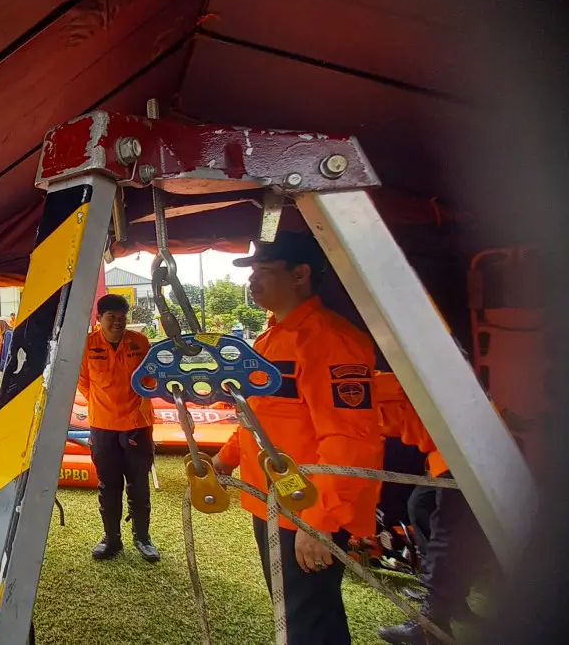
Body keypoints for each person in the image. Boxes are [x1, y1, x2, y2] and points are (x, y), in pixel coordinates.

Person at [211, 232, 382, 645]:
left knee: (306, 622)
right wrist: (224, 460)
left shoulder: (331, 341)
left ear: (300, 274)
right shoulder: (271, 338)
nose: (252, 283)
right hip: (271, 503)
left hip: (306, 509)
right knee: (299, 615)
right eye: (252, 273)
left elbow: (351, 439)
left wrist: (318, 522)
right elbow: (258, 418)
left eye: (264, 272)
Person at [376, 372, 493, 644]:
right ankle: (445, 595)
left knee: (448, 528)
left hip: (467, 449)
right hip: (448, 450)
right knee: (421, 505)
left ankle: (432, 620)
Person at [76, 294, 160, 562]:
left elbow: (150, 378)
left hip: (138, 425)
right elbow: (84, 383)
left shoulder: (140, 343)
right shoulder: (86, 346)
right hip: (102, 427)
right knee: (108, 485)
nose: (117, 322)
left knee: (138, 486)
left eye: (122, 318)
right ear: (98, 319)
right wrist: (105, 405)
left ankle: (142, 538)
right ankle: (111, 538)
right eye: (111, 317)